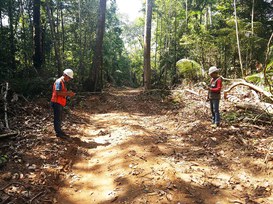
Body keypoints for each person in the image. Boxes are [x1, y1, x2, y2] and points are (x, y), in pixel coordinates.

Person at [51, 69, 75, 138]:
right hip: (56, 102)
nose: (69, 79)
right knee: (57, 118)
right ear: (65, 75)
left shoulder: (63, 82)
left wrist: (68, 95)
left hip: (59, 102)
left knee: (59, 118)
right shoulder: (59, 81)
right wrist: (68, 93)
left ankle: (59, 131)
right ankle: (58, 133)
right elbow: (58, 92)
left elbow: (62, 93)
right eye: (69, 77)